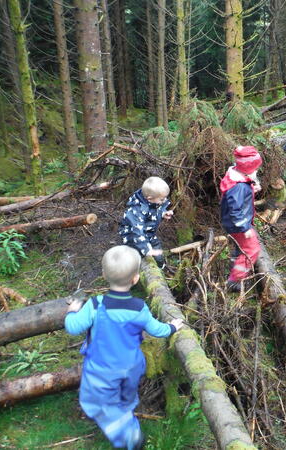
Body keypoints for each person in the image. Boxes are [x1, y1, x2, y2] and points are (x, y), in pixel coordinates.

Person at [65, 245, 183, 449]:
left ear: (103, 274)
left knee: (93, 402)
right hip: (131, 365)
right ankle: (125, 412)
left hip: (102, 368)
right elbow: (158, 330)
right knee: (125, 396)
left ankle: (127, 434)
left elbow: (72, 328)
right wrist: (172, 327)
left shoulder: (94, 305)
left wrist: (72, 310)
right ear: (136, 278)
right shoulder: (140, 308)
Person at [220, 145, 263, 292]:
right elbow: (235, 208)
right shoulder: (237, 186)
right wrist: (244, 228)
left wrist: (252, 188)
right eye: (255, 169)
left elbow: (240, 197)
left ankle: (235, 262)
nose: (257, 171)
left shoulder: (237, 177)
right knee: (252, 249)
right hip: (237, 225)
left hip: (235, 223)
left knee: (240, 246)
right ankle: (235, 280)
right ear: (247, 168)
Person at [118, 176, 173, 268]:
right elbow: (136, 231)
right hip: (133, 237)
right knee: (135, 258)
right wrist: (147, 250)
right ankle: (131, 273)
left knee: (158, 253)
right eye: (162, 199)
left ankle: (159, 269)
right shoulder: (137, 210)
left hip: (148, 234)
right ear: (149, 198)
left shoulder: (153, 203)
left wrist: (163, 213)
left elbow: (154, 211)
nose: (164, 201)